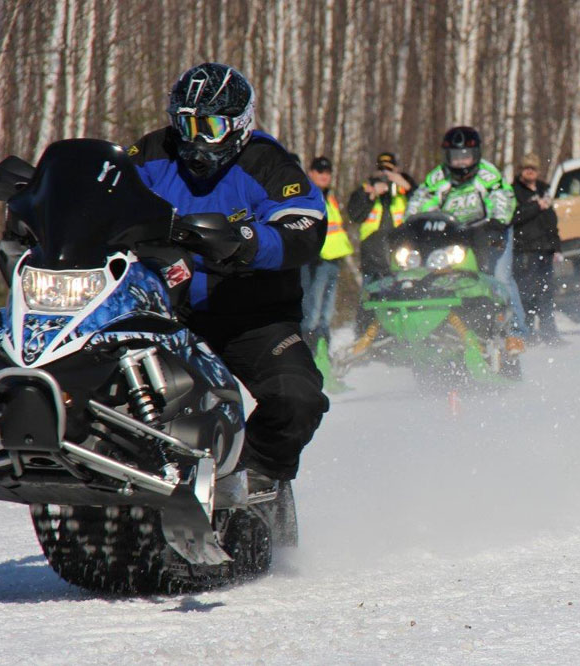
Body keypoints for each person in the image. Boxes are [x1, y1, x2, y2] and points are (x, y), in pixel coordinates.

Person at [127, 62, 330, 484]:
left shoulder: (267, 162)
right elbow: (103, 189)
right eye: (185, 125)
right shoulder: (151, 153)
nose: (194, 140)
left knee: (298, 398)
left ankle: (253, 478)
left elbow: (305, 222)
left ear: (239, 124)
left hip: (253, 316)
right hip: (165, 311)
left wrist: (248, 241)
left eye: (209, 127)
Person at [405, 126, 525, 352]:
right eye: (455, 156)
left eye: (466, 156)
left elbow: (503, 198)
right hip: (455, 235)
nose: (461, 162)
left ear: (476, 155)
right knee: (439, 276)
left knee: (500, 276)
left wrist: (497, 223)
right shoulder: (438, 177)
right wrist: (410, 226)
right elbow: (420, 201)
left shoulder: (487, 175)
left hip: (489, 229)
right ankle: (441, 327)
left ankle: (514, 332)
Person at [511, 152, 563, 344]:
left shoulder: (544, 189)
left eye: (533, 168)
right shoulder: (514, 191)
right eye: (527, 168)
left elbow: (551, 220)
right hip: (526, 249)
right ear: (521, 170)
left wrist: (556, 246)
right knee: (527, 293)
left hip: (545, 249)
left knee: (547, 293)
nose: (530, 171)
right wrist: (536, 206)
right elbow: (513, 217)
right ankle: (528, 333)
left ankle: (550, 333)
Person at [301, 156, 352, 346]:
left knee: (326, 313)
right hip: (317, 260)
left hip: (333, 258)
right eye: (320, 171)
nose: (324, 176)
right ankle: (309, 349)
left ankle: (323, 351)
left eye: (328, 172)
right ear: (311, 173)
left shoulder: (329, 197)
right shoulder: (307, 195)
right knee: (312, 310)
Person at [346, 152, 416, 285]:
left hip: (401, 257)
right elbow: (354, 215)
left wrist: (405, 185)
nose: (385, 174)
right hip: (373, 260)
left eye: (389, 170)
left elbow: (423, 204)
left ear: (396, 170)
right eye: (381, 170)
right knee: (371, 294)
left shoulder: (403, 189)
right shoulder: (366, 189)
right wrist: (371, 195)